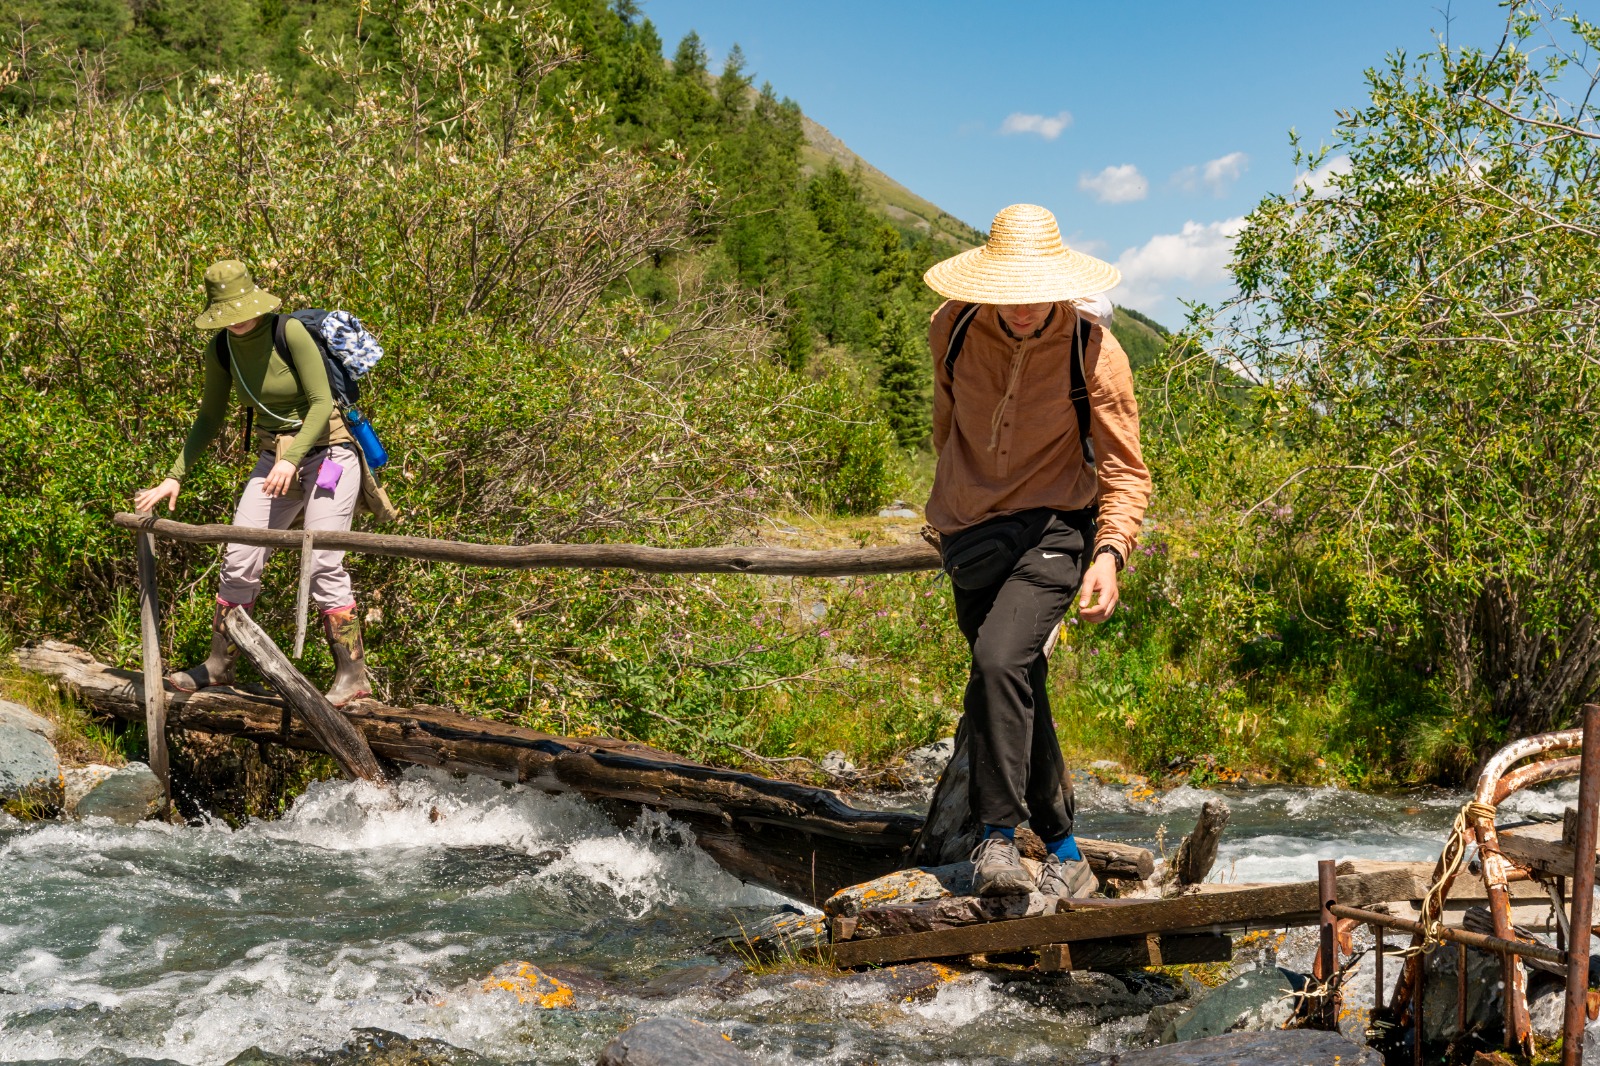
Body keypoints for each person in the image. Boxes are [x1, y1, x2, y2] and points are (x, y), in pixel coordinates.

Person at [923, 204, 1152, 898]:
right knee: (1017, 682)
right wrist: (957, 508)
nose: (1022, 308)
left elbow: (1125, 471)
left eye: (1035, 294)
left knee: (997, 664)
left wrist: (1109, 552)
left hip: (1056, 528)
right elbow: (945, 423)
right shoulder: (952, 327)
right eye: (1008, 294)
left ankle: (996, 839)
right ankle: (1065, 849)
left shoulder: (1095, 350)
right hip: (971, 533)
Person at [133, 260, 372, 707]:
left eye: (242, 307)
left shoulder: (289, 333)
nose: (238, 317)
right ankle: (220, 665)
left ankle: (352, 675)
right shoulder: (220, 349)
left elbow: (321, 403)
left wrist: (294, 458)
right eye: (227, 310)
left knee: (322, 563)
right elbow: (209, 417)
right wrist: (174, 475)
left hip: (329, 455)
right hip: (272, 458)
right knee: (239, 558)